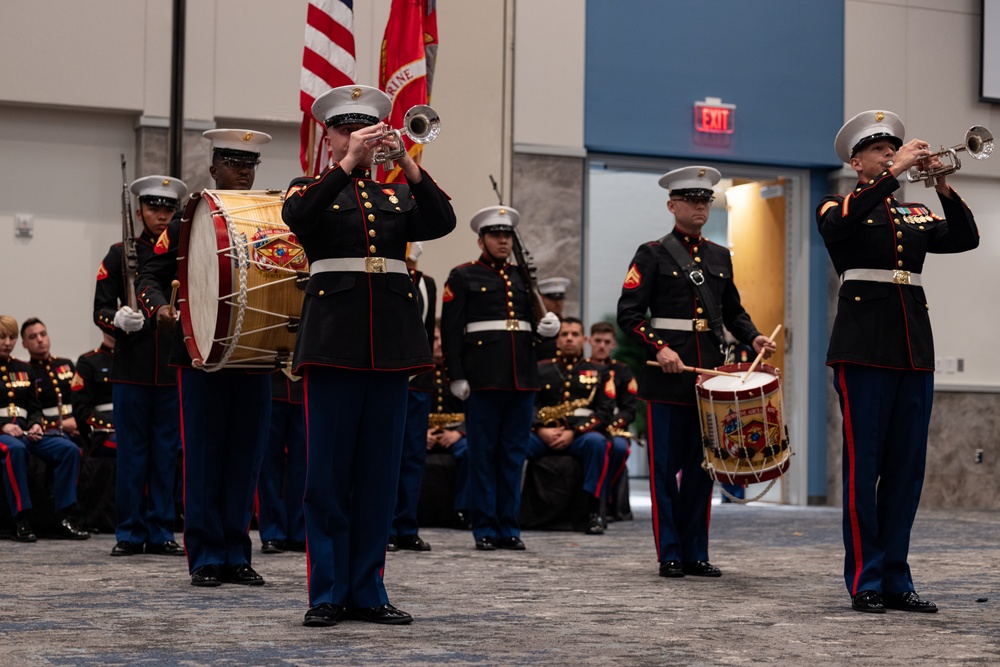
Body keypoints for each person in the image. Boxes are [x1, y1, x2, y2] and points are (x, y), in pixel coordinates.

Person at [282, 84, 456, 627]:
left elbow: (442, 220)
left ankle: (368, 589)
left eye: (367, 128)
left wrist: (403, 157)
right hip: (333, 344)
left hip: (390, 349)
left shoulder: (397, 196)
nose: (357, 135)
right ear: (329, 135)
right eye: (345, 128)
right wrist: (348, 163)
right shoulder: (308, 187)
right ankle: (328, 591)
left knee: (377, 477)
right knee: (327, 477)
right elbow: (299, 220)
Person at [818, 110, 979, 614]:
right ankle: (865, 579)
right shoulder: (837, 206)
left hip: (913, 351)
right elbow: (843, 222)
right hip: (863, 350)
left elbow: (965, 238)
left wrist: (943, 187)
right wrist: (893, 175)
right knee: (863, 470)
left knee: (906, 471)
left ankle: (895, 577)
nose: (892, 154)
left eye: (895, 149)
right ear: (856, 160)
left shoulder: (914, 216)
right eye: (881, 150)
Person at [617, 166, 775, 579]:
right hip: (667, 375)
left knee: (705, 466)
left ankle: (695, 552)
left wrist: (754, 337)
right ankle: (669, 552)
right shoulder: (652, 253)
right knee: (665, 470)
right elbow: (629, 315)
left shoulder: (721, 256)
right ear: (672, 205)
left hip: (710, 377)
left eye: (705, 200)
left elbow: (732, 311)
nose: (699, 206)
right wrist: (660, 346)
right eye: (690, 199)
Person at [136, 129, 273, 586]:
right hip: (199, 353)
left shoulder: (267, 219)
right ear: (213, 168)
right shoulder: (188, 218)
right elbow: (151, 274)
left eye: (250, 164)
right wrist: (159, 309)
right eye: (234, 163)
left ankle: (237, 552)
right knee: (204, 456)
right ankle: (206, 555)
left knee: (245, 457)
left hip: (253, 353)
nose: (243, 171)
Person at [441, 206, 560, 552]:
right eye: (496, 235)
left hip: (521, 378)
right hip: (482, 379)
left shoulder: (523, 278)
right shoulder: (463, 276)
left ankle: (509, 526)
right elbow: (451, 332)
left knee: (513, 455)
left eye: (507, 236)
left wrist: (547, 331)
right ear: (481, 240)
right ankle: (485, 528)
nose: (503, 241)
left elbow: (533, 334)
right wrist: (456, 376)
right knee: (483, 455)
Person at [94, 174, 187, 557]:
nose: (162, 215)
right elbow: (99, 308)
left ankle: (162, 529)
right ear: (139, 211)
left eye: (168, 208)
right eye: (153, 208)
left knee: (166, 453)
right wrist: (116, 320)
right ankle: (130, 531)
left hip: (169, 366)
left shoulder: (182, 251)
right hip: (131, 367)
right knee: (132, 452)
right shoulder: (119, 254)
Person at [0, 315, 88, 541]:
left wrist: (36, 423)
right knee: (15, 450)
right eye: (2, 337)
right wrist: (3, 427)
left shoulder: (23, 368)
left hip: (25, 432)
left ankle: (64, 516)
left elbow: (33, 407)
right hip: (4, 434)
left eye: (10, 337)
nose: (7, 342)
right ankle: (21, 518)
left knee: (68, 450)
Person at [525, 317, 613, 534]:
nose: (569, 339)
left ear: (583, 340)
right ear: (557, 340)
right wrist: (539, 429)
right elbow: (529, 405)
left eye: (574, 334)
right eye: (564, 334)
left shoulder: (599, 371)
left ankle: (593, 512)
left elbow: (605, 411)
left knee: (597, 443)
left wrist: (574, 432)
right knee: (514, 443)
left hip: (580, 437)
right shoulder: (540, 369)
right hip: (542, 434)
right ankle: (510, 509)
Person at [389, 242, 437, 552]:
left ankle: (407, 525)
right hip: (388, 373)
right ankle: (386, 526)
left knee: (412, 457)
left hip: (418, 379)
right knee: (385, 454)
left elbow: (428, 330)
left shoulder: (427, 284)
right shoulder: (385, 276)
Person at [587, 321, 638, 519]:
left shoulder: (623, 372)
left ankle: (606, 501)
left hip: (612, 429)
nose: (601, 345)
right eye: (597, 340)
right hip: (585, 429)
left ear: (613, 345)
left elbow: (629, 410)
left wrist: (608, 425)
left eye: (606, 341)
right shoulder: (578, 368)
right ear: (590, 341)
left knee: (619, 448)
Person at [424, 326, 471, 529]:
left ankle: (463, 511)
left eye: (443, 339)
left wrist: (459, 433)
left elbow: (475, 409)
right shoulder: (419, 373)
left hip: (454, 434)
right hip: (424, 434)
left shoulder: (461, 372)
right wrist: (420, 433)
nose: (440, 344)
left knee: (471, 450)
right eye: (435, 339)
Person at [71, 332, 117, 533]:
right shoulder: (89, 361)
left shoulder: (136, 360)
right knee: (131, 447)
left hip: (134, 426)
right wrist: (113, 424)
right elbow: (82, 410)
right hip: (103, 432)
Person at [256, 370, 307, 554]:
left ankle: (301, 530)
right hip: (272, 382)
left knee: (304, 466)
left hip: (304, 387)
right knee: (268, 465)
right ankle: (273, 530)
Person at [535, 276, 570, 360]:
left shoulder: (567, 324)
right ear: (542, 298)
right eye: (553, 299)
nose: (558, 303)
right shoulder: (535, 324)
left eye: (561, 299)